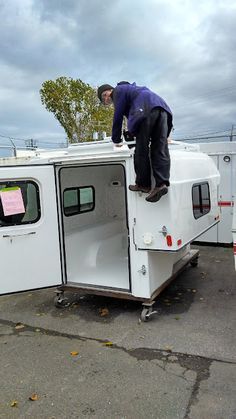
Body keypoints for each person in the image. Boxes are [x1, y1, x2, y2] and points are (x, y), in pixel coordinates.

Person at [97, 82, 173, 202]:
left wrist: (116, 139)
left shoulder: (118, 90)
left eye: (106, 94)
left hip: (146, 109)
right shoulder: (134, 91)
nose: (107, 98)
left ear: (111, 90)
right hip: (163, 109)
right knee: (159, 148)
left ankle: (143, 184)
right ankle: (161, 184)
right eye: (104, 98)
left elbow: (118, 117)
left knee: (141, 150)